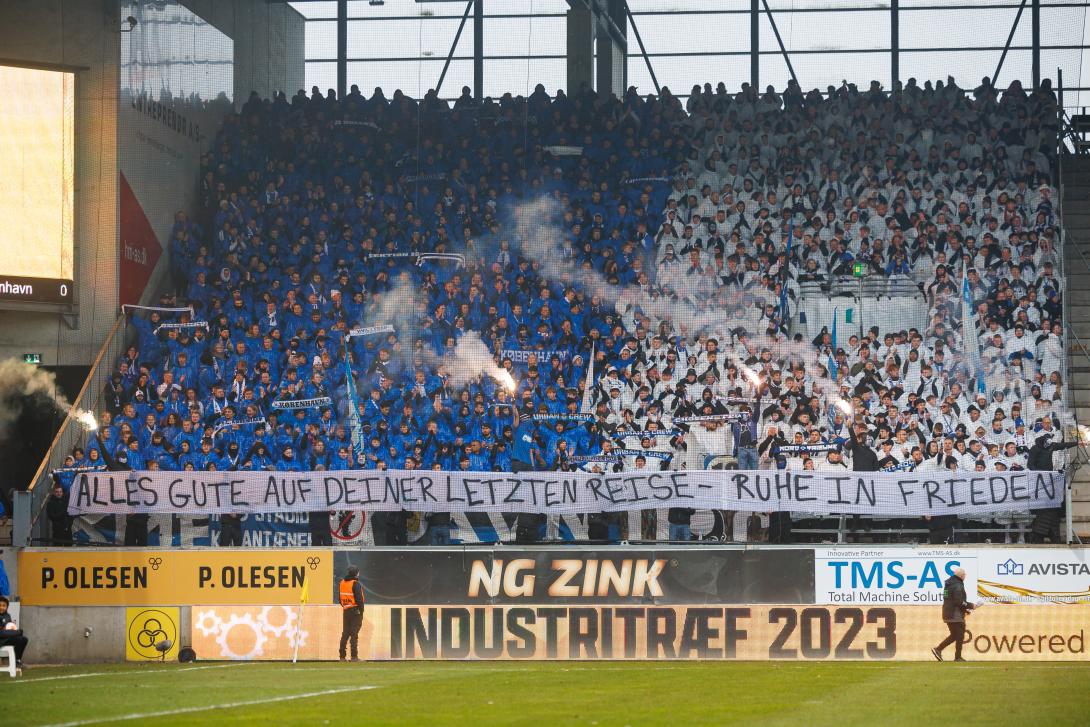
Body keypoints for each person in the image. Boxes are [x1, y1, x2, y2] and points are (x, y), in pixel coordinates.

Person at [932, 566, 974, 661]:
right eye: (964, 574)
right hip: (955, 615)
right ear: (961, 575)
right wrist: (971, 606)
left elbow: (950, 600)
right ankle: (957, 657)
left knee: (955, 635)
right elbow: (959, 601)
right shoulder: (958, 585)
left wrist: (965, 610)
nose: (965, 576)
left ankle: (938, 649)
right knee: (960, 635)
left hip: (947, 613)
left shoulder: (948, 584)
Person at [338, 565, 365, 661]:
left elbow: (339, 598)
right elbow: (359, 600)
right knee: (354, 634)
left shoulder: (342, 583)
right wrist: (361, 611)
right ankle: (354, 656)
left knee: (345, 633)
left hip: (346, 611)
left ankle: (342, 657)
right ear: (356, 574)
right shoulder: (355, 584)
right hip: (355, 611)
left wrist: (345, 606)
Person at [0, 596, 27, 666]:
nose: (1, 607)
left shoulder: (7, 616)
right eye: (0, 605)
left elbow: (9, 629)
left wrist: (15, 631)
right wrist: (17, 632)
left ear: (7, 607)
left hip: (6, 639)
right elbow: (2, 633)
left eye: (4, 605)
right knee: (19, 634)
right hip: (1, 640)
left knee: (23, 639)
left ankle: (17, 661)